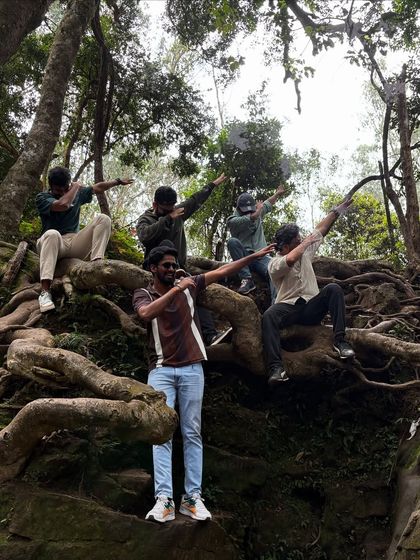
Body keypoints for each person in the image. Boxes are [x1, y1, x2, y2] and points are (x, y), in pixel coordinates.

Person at [133, 239, 275, 523]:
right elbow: (146, 314)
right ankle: (164, 500)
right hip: (160, 370)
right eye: (166, 266)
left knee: (192, 432)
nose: (173, 269)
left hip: (192, 369)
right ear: (153, 269)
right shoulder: (144, 293)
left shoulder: (192, 284)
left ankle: (192, 498)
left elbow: (223, 271)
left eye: (174, 265)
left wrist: (254, 256)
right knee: (161, 432)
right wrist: (177, 289)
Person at [262, 198, 355, 385]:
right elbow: (289, 261)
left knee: (333, 289)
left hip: (310, 308)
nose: (302, 241)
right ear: (286, 246)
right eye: (297, 240)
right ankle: (276, 368)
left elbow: (321, 229)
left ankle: (341, 342)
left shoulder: (303, 251)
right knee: (269, 315)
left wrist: (336, 212)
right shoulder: (274, 263)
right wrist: (304, 244)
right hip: (288, 309)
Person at [136, 174, 227, 345]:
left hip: (180, 268)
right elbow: (145, 236)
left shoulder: (176, 212)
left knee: (196, 289)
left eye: (172, 208)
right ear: (155, 204)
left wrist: (212, 185)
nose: (170, 211)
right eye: (165, 209)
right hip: (157, 268)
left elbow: (193, 201)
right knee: (166, 244)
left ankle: (210, 336)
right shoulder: (146, 219)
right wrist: (168, 219)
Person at [36, 166, 133, 313]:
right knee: (52, 233)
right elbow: (63, 205)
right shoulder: (42, 198)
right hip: (51, 244)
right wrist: (75, 188)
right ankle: (44, 293)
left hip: (74, 242)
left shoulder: (75, 192)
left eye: (65, 189)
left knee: (103, 219)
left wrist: (118, 181)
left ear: (68, 184)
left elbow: (98, 188)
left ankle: (96, 265)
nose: (62, 192)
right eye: (58, 190)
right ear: (51, 186)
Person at [227, 184, 286, 300]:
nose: (248, 212)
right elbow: (251, 217)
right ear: (238, 209)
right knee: (232, 242)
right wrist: (257, 212)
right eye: (245, 211)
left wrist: (277, 193)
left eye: (251, 210)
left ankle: (277, 304)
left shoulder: (257, 210)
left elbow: (269, 203)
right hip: (244, 257)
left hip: (261, 256)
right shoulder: (232, 221)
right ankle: (247, 279)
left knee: (274, 270)